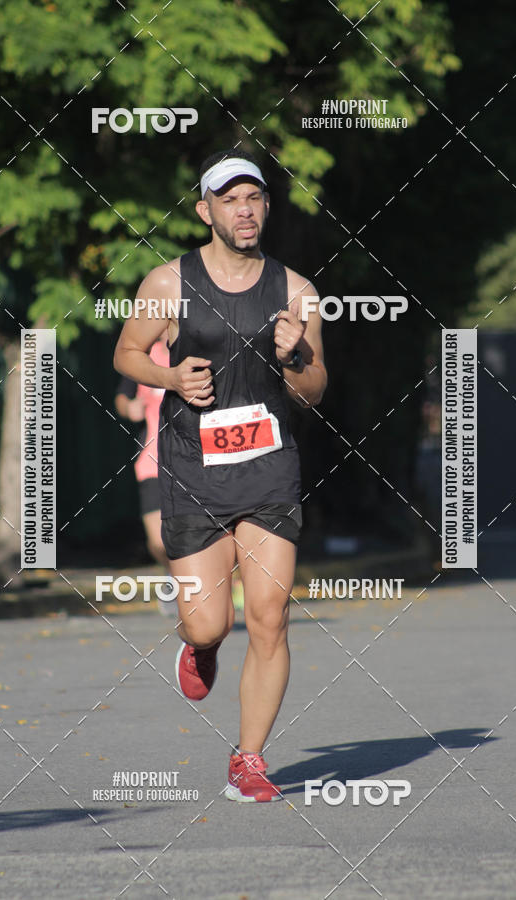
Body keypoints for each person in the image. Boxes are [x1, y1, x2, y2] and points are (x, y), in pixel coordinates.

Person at [114, 149, 327, 802]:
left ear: (266, 207)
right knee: (210, 624)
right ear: (205, 210)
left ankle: (250, 759)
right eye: (229, 199)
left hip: (268, 469)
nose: (244, 209)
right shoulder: (166, 283)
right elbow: (126, 351)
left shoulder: (297, 292)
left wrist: (297, 356)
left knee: (269, 617)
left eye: (254, 198)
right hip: (195, 470)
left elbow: (315, 392)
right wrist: (170, 375)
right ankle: (198, 648)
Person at [115, 331, 175, 615]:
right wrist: (130, 408)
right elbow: (122, 398)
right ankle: (172, 573)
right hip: (152, 461)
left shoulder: (193, 354)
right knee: (158, 541)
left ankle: (196, 585)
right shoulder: (144, 358)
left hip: (193, 462)